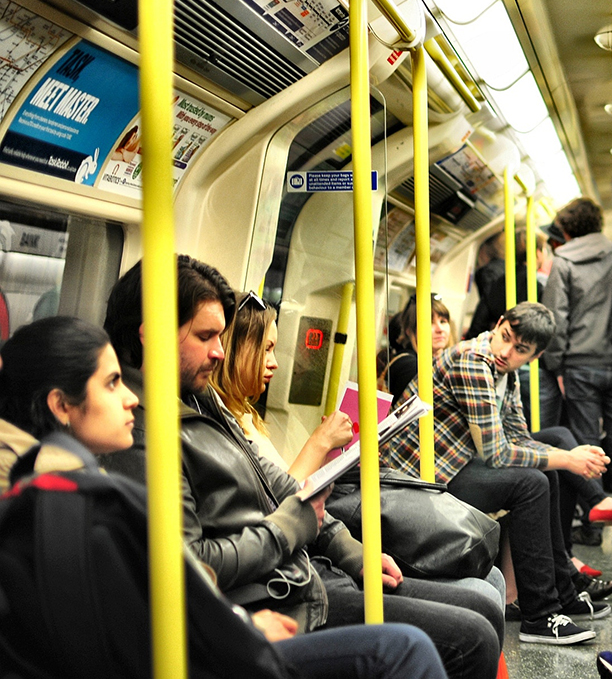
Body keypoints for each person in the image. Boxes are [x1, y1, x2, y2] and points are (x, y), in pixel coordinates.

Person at [98, 256, 501, 679]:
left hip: (301, 570)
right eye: (205, 336)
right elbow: (194, 564)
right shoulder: (139, 433)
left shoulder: (201, 399)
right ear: (152, 334)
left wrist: (348, 549)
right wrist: (291, 528)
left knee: (481, 607)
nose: (219, 351)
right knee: (471, 633)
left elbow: (278, 482)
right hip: (271, 597)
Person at [0, 315, 448, 679]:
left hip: (252, 604)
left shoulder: (58, 482)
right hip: (223, 637)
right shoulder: (80, 500)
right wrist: (245, 627)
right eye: (113, 384)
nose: (130, 400)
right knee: (404, 648)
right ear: (61, 406)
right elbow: (146, 615)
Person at [382, 301, 612, 645]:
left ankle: (560, 593)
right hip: (419, 476)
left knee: (544, 470)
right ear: (499, 322)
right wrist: (568, 460)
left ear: (534, 356)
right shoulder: (474, 361)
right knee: (533, 482)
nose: (506, 352)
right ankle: (541, 615)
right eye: (504, 337)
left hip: (452, 462)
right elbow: (496, 452)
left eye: (520, 350)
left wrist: (564, 456)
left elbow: (518, 437)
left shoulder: (503, 373)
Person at [542, 197, 612, 502]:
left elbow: (557, 319)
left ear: (566, 231)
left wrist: (556, 365)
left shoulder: (563, 262)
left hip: (579, 365)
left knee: (587, 445)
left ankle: (593, 523)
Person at [211, 290, 354, 483]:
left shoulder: (246, 417)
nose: (274, 363)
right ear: (234, 350)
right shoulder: (222, 424)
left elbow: (283, 483)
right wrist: (322, 440)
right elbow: (281, 500)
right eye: (266, 349)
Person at [377, 293, 454, 397]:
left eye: (443, 321)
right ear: (410, 330)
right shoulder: (410, 365)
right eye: (430, 323)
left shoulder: (430, 363)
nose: (440, 329)